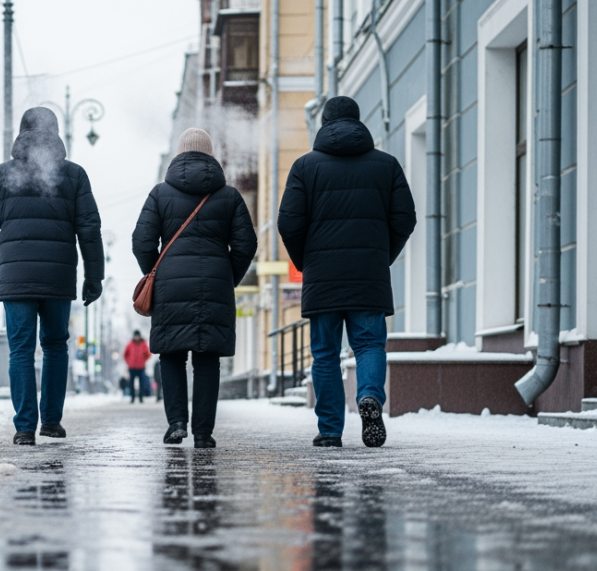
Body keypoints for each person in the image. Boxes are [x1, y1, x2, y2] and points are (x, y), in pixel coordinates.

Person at [278, 96, 416, 448]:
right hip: (368, 275)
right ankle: (370, 397)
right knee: (369, 344)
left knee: (325, 354)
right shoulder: (386, 165)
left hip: (322, 278)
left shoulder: (304, 167)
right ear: (359, 121)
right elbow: (405, 219)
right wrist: (381, 256)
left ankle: (329, 430)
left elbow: (289, 224)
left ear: (324, 123)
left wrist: (306, 261)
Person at [0, 107, 104, 446]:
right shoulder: (74, 175)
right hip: (58, 278)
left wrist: (0, 264)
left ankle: (23, 427)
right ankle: (51, 421)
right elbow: (89, 229)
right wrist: (94, 276)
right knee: (55, 346)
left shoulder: (0, 175)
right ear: (56, 133)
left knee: (20, 350)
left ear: (22, 133)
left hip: (15, 276)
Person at [132, 128, 256, 448]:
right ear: (210, 156)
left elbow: (142, 241)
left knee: (171, 356)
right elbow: (246, 245)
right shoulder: (228, 196)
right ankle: (203, 432)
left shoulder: (160, 193)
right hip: (215, 284)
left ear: (178, 155)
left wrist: (156, 273)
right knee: (207, 359)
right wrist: (228, 277)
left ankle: (176, 422)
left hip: (170, 286)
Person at [123, 330, 152, 403]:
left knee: (142, 383)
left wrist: (144, 360)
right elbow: (125, 354)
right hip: (132, 367)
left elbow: (148, 354)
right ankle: (132, 397)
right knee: (131, 383)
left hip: (141, 367)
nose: (137, 337)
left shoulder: (143, 344)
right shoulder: (129, 344)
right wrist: (129, 362)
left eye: (138, 336)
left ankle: (141, 397)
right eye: (136, 336)